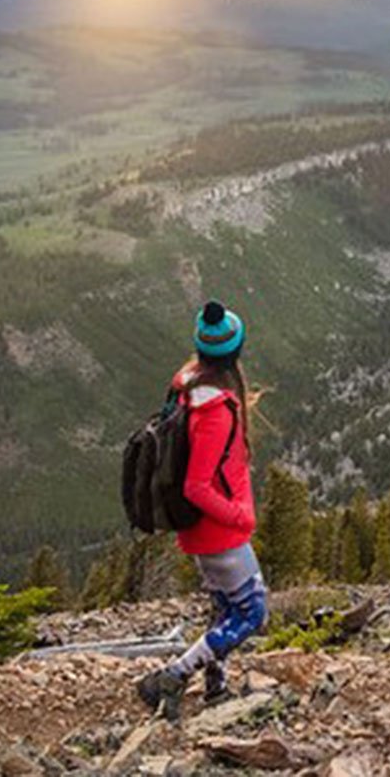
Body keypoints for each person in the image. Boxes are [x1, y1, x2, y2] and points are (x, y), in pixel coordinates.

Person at [136, 300, 267, 721]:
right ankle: (173, 676)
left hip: (200, 531)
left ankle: (216, 687)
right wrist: (239, 516)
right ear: (236, 352)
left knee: (225, 608)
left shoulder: (187, 388)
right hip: (219, 532)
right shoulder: (216, 410)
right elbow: (197, 485)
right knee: (252, 612)